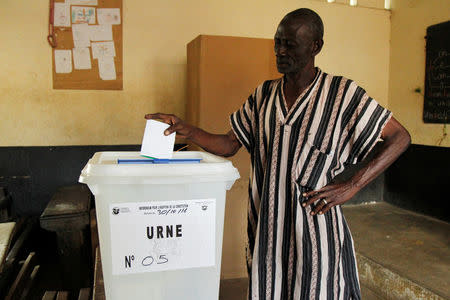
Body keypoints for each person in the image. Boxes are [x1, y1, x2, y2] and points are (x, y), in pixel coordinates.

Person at [145, 8, 410, 300]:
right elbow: (230, 143)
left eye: (290, 44)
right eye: (277, 42)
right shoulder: (263, 95)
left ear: (315, 46)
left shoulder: (342, 94)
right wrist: (189, 130)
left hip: (316, 235)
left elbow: (400, 137)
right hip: (268, 233)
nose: (280, 51)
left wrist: (352, 185)